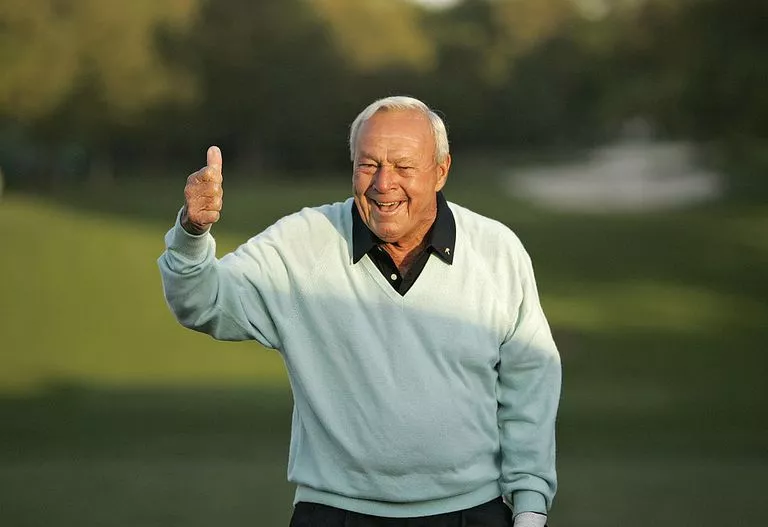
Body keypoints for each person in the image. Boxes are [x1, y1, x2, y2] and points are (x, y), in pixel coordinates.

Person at [158, 96, 561, 527]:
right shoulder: (302, 244)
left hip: (470, 514)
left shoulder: (497, 250)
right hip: (335, 514)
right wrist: (192, 233)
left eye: (404, 167)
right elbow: (203, 303)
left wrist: (530, 508)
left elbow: (529, 383)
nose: (383, 184)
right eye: (369, 165)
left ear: (440, 170)